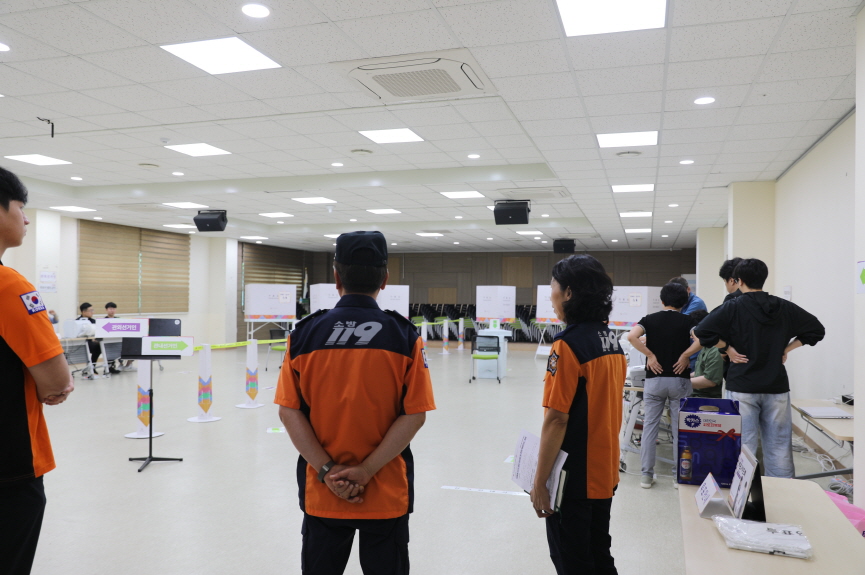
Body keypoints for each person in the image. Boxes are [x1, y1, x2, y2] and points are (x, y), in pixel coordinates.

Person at [275, 231, 435, 575]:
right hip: (385, 492)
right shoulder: (404, 336)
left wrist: (328, 472)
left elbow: (289, 411)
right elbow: (415, 415)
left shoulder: (303, 335)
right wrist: (366, 471)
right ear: (385, 279)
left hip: (323, 492)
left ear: (337, 277)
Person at [531, 255, 626, 575]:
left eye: (553, 288)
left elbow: (557, 418)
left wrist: (540, 481)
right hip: (605, 469)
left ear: (569, 293)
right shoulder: (612, 341)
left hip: (574, 478)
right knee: (599, 554)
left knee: (573, 561)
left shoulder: (567, 346)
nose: (551, 296)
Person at [0, 165, 74, 575]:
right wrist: (53, 386)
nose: (26, 220)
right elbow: (57, 381)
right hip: (9, 467)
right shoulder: (9, 287)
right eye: (20, 207)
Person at [694, 258, 825, 478]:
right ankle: (782, 493)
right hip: (776, 386)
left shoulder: (733, 306)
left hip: (742, 385)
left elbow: (702, 331)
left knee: (742, 445)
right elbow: (816, 329)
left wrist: (727, 348)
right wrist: (786, 348)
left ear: (739, 281)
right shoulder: (783, 306)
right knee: (779, 445)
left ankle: (742, 494)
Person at [626, 282, 702, 489]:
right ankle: (679, 477)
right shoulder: (688, 321)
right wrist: (685, 356)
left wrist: (650, 355)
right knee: (680, 429)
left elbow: (632, 336)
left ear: (662, 300)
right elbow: (702, 340)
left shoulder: (649, 320)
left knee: (650, 427)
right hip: (680, 380)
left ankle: (646, 476)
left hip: (654, 380)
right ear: (684, 302)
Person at [688, 310, 723, 399]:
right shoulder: (705, 347)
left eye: (692, 332)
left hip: (706, 398)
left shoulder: (716, 350)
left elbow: (710, 381)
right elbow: (700, 372)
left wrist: (680, 383)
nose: (691, 336)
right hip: (696, 394)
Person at [75, 303, 100, 379]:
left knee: (99, 346)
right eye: (90, 310)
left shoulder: (93, 321)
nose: (93, 312)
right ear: (84, 312)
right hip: (81, 342)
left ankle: (92, 366)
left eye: (93, 310)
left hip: (92, 342)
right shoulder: (76, 322)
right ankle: (90, 367)